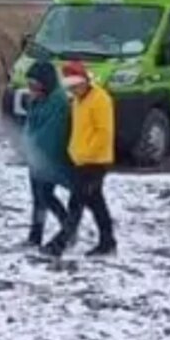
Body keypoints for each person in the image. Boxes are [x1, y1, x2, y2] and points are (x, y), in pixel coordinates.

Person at [44, 61, 116, 257]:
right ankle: (108, 242)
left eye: (75, 86)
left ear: (84, 82)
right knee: (95, 202)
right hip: (80, 160)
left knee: (76, 203)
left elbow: (104, 132)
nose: (73, 91)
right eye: (70, 88)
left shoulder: (100, 100)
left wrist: (85, 154)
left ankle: (60, 243)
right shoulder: (78, 101)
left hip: (95, 162)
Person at [21, 61, 73, 247]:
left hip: (50, 159)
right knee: (38, 199)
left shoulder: (58, 103)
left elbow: (50, 135)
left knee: (45, 196)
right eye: (30, 84)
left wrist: (33, 150)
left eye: (35, 84)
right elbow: (30, 126)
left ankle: (68, 227)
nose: (31, 88)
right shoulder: (37, 100)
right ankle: (35, 237)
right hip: (36, 159)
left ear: (46, 83)